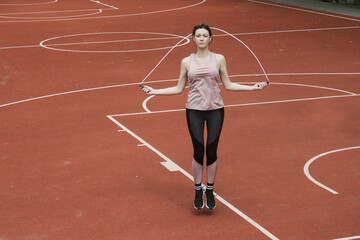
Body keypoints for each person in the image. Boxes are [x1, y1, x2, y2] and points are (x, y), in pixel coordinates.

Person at [141, 23, 267, 210]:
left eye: (204, 35)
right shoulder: (186, 62)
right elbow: (178, 89)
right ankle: (197, 190)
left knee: (212, 149)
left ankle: (210, 189)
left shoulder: (219, 59)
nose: (201, 38)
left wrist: (252, 88)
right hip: (194, 110)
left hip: (216, 109)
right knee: (199, 149)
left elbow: (229, 84)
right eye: (198, 35)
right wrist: (155, 91)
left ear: (210, 39)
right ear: (193, 39)